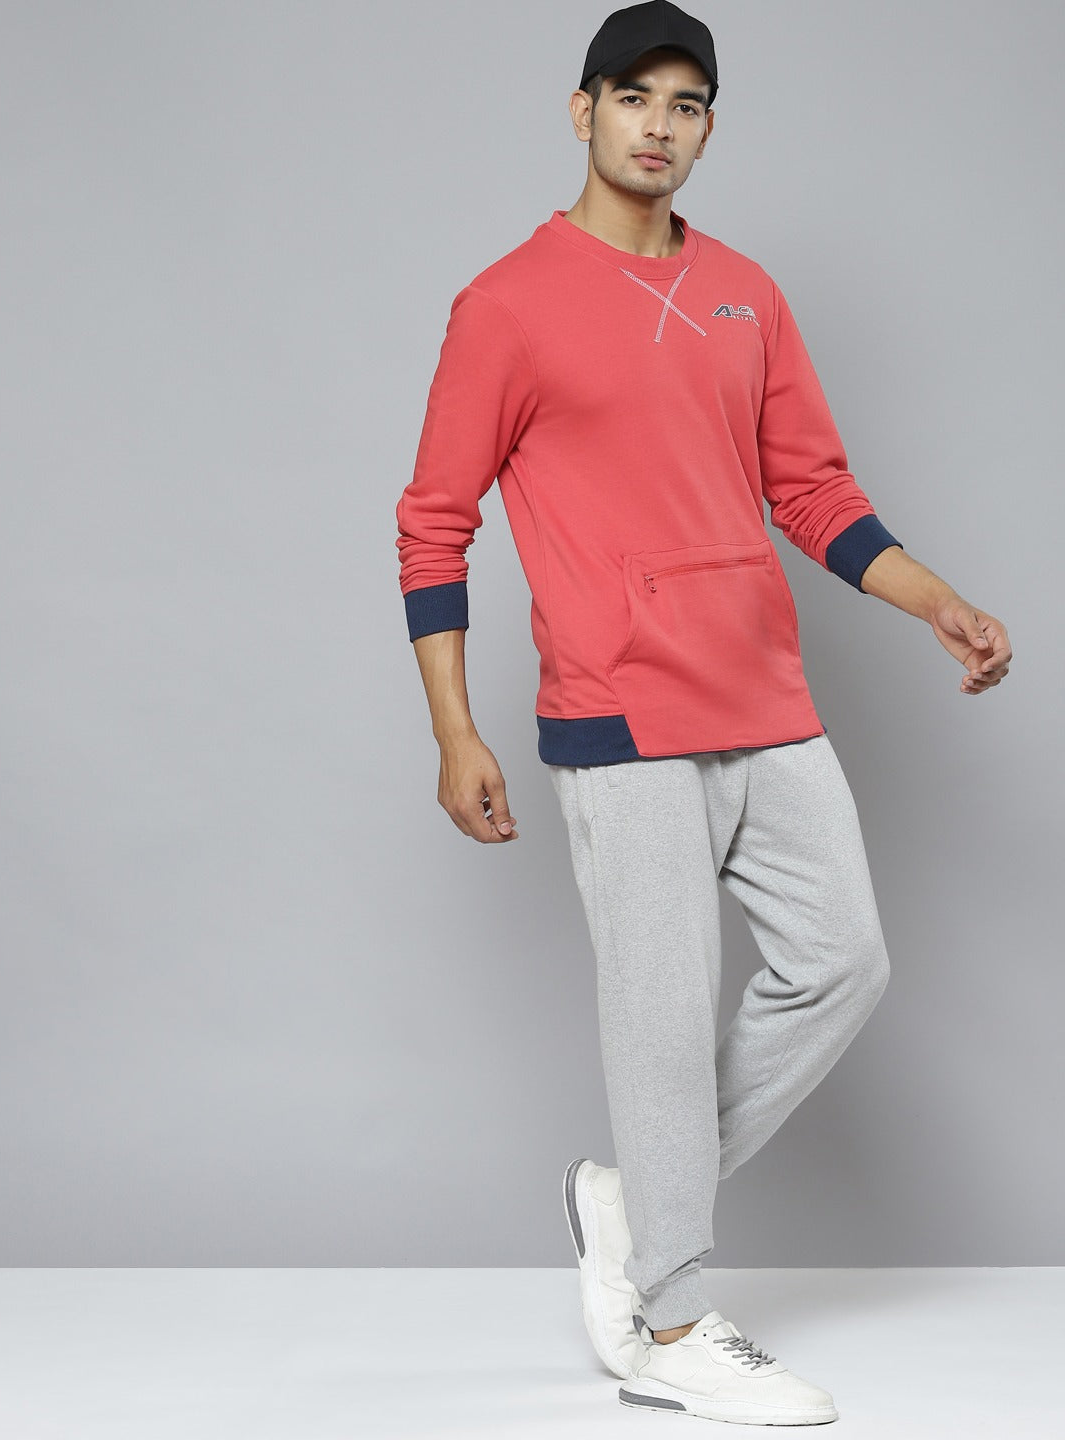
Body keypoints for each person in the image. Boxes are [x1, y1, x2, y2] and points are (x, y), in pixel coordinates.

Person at [394, 0, 1013, 1425]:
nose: (658, 126)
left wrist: (932, 600)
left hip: (767, 698)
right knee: (662, 1025)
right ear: (583, 111)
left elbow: (813, 489)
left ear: (707, 129)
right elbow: (433, 522)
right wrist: (454, 729)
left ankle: (634, 1200)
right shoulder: (507, 305)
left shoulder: (746, 293)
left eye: (686, 105)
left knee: (842, 963)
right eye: (635, 98)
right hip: (619, 715)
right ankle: (667, 1322)